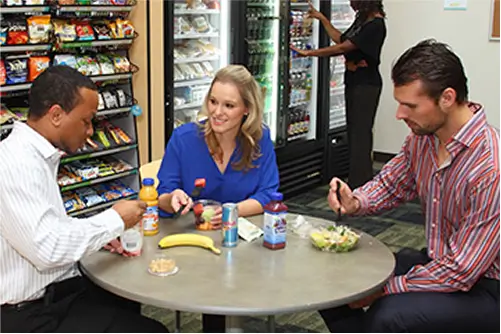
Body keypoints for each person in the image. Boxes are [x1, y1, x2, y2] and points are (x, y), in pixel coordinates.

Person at [320, 39, 500, 332]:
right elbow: (392, 185)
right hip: (440, 260)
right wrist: (355, 201)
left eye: (409, 105)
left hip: (486, 286)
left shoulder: (491, 167)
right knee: (336, 281)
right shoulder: (422, 140)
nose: (399, 114)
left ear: (447, 98)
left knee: (389, 314)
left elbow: (462, 270)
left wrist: (387, 288)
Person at [0, 66, 167, 333]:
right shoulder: (15, 164)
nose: (90, 131)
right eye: (86, 121)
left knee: (126, 301)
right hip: (28, 315)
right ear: (56, 115)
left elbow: (49, 225)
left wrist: (100, 237)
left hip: (54, 294)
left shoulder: (36, 156)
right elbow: (48, 248)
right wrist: (114, 220)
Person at [156, 64, 280, 331]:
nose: (217, 112)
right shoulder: (184, 139)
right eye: (213, 101)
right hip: (192, 249)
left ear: (247, 109)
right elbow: (163, 196)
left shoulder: (260, 140)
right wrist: (173, 197)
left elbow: (269, 194)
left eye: (228, 105)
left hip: (245, 248)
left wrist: (229, 211)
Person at [291, 0, 387, 189]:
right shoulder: (362, 19)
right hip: (354, 80)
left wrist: (310, 53)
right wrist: (322, 19)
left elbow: (344, 48)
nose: (351, 3)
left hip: (366, 84)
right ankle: (357, 181)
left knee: (360, 134)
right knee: (354, 132)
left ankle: (361, 185)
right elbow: (341, 39)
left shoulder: (375, 25)